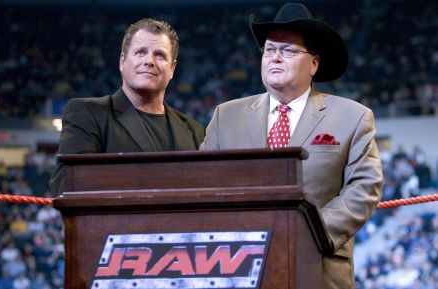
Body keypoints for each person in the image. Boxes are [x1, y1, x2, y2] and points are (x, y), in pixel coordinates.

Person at [200, 3, 383, 289]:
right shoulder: (226, 116)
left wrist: (309, 233)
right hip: (237, 269)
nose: (275, 57)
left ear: (314, 64)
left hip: (317, 269)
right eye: (269, 49)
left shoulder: (353, 117)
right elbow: (203, 186)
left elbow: (364, 188)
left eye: (288, 51)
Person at [50, 18, 205, 196]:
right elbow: (67, 185)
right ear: (122, 62)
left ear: (172, 69)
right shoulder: (88, 114)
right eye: (140, 52)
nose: (149, 61)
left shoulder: (195, 131)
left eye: (160, 55)